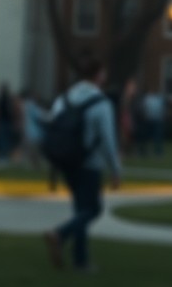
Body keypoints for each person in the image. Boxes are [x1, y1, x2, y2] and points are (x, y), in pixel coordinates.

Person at [42, 51, 122, 272]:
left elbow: (51, 124)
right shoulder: (101, 102)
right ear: (98, 76)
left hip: (67, 161)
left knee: (80, 211)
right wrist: (115, 169)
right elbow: (108, 139)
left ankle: (80, 260)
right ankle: (60, 234)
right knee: (93, 210)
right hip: (89, 164)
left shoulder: (64, 98)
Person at [20, 87, 46, 169]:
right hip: (34, 132)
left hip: (29, 131)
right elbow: (40, 116)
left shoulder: (26, 105)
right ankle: (35, 165)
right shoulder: (31, 105)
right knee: (34, 150)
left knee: (31, 149)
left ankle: (33, 165)